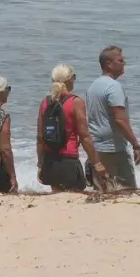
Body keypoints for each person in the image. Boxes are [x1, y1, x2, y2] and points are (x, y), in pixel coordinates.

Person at [37, 63, 103, 192]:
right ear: (69, 80)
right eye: (74, 77)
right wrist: (97, 163)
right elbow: (85, 137)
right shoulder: (75, 102)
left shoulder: (45, 102)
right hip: (69, 161)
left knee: (57, 202)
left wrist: (40, 164)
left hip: (50, 161)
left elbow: (40, 137)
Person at [86, 45, 140, 192]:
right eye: (120, 60)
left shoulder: (93, 86)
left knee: (102, 191)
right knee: (127, 190)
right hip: (113, 149)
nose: (124, 64)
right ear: (108, 64)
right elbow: (119, 120)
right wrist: (135, 144)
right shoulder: (113, 87)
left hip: (96, 148)